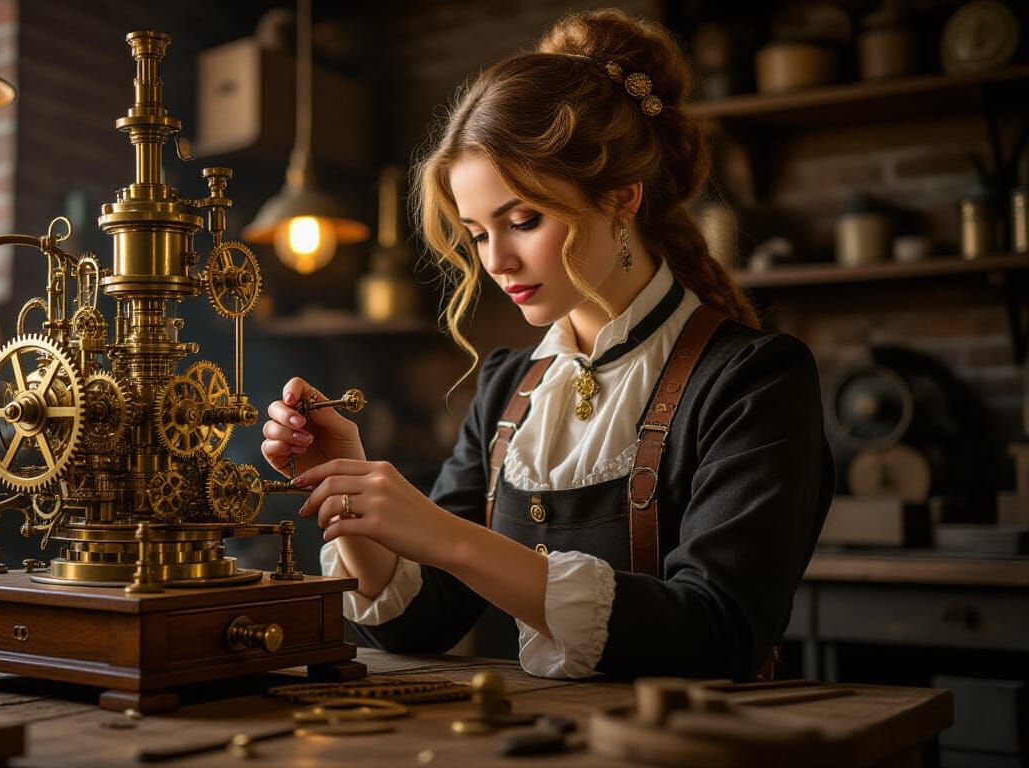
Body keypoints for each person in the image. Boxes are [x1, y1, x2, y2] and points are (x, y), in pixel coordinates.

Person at [259, 9, 833, 680]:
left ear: (622, 200)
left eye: (522, 220)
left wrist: (448, 536)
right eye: (475, 232)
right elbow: (424, 623)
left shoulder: (754, 380)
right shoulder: (508, 389)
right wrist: (350, 496)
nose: (496, 260)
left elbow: (721, 631)